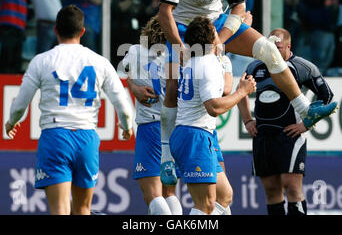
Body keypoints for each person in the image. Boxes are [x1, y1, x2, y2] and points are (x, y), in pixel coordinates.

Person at [158, 0, 338, 186]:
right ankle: (166, 159)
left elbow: (239, 7)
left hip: (217, 22)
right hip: (184, 26)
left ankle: (304, 108)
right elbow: (164, 13)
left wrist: (221, 38)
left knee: (268, 49)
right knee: (172, 85)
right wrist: (179, 47)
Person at [5, 5, 133, 215]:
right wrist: (127, 126)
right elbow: (123, 105)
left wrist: (12, 121)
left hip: (55, 136)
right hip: (86, 139)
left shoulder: (41, 61)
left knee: (60, 210)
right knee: (83, 209)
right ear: (83, 31)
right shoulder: (100, 62)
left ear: (56, 30)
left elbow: (21, 102)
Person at [237, 28, 335, 215]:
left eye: (278, 47)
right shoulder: (255, 67)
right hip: (263, 136)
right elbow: (240, 92)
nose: (273, 50)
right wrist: (248, 120)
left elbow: (327, 96)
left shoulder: (303, 67)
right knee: (271, 190)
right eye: (270, 46)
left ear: (289, 46)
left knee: (291, 186)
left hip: (289, 136)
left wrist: (306, 124)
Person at [169, 16, 256, 215]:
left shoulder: (195, 61)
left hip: (194, 134)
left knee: (225, 196)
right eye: (216, 31)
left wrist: (240, 24)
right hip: (194, 136)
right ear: (211, 38)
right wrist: (242, 91)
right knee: (205, 204)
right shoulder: (207, 64)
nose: (219, 34)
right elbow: (214, 107)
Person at [121, 15, 183, 215]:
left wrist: (134, 87)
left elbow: (124, 73)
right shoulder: (177, 56)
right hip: (174, 128)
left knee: (152, 194)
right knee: (169, 192)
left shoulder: (135, 51)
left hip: (151, 127)